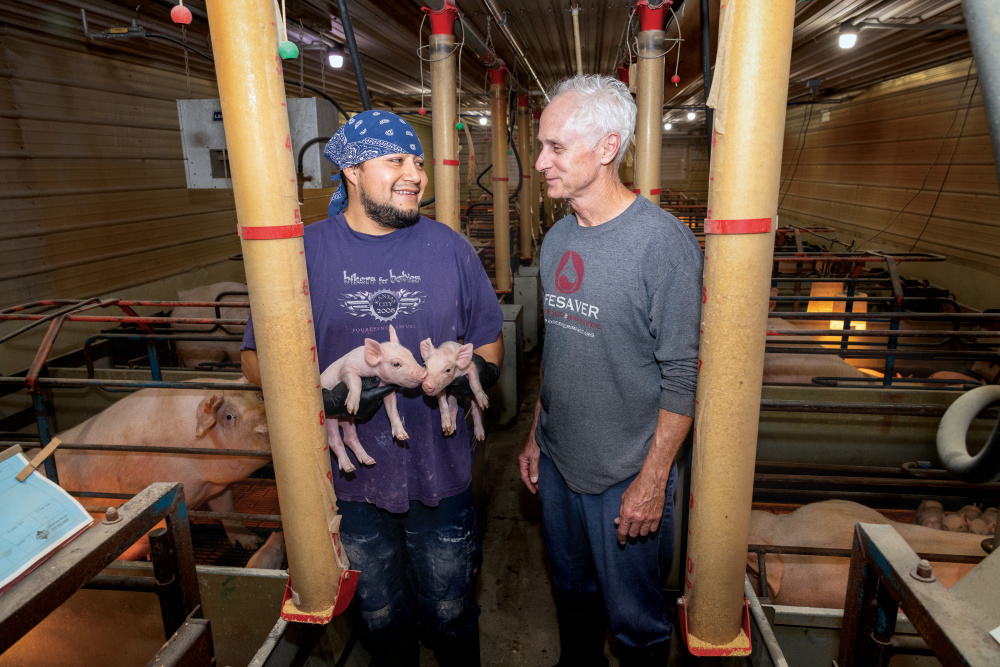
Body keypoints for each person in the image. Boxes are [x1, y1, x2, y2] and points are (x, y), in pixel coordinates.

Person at [241, 109, 504, 666]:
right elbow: (253, 359)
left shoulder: (450, 248)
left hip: (443, 474)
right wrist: (319, 398)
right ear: (352, 172)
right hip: (349, 485)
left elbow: (487, 340)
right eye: (396, 160)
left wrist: (471, 378)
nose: (415, 174)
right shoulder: (302, 252)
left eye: (417, 161)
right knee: (380, 621)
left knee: (453, 614)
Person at [518, 75, 703, 665]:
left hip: (626, 474)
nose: (541, 161)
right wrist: (535, 435)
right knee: (572, 597)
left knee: (635, 621)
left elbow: (682, 375)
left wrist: (652, 482)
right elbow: (561, 350)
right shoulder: (556, 239)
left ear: (606, 148)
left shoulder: (661, 244)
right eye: (540, 145)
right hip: (559, 461)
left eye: (556, 147)